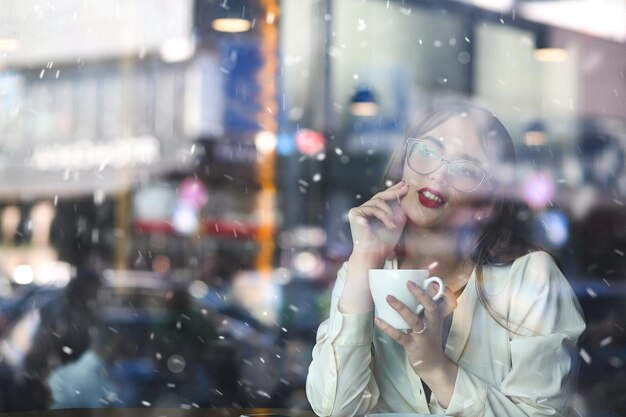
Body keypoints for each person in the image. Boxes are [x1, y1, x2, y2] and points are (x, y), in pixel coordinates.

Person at [306, 102, 586, 417]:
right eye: (427, 151)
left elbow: (543, 413)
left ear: (487, 201)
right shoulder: (366, 267)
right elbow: (336, 409)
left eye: (466, 169)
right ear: (403, 164)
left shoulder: (531, 277)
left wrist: (436, 368)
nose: (438, 174)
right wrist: (363, 262)